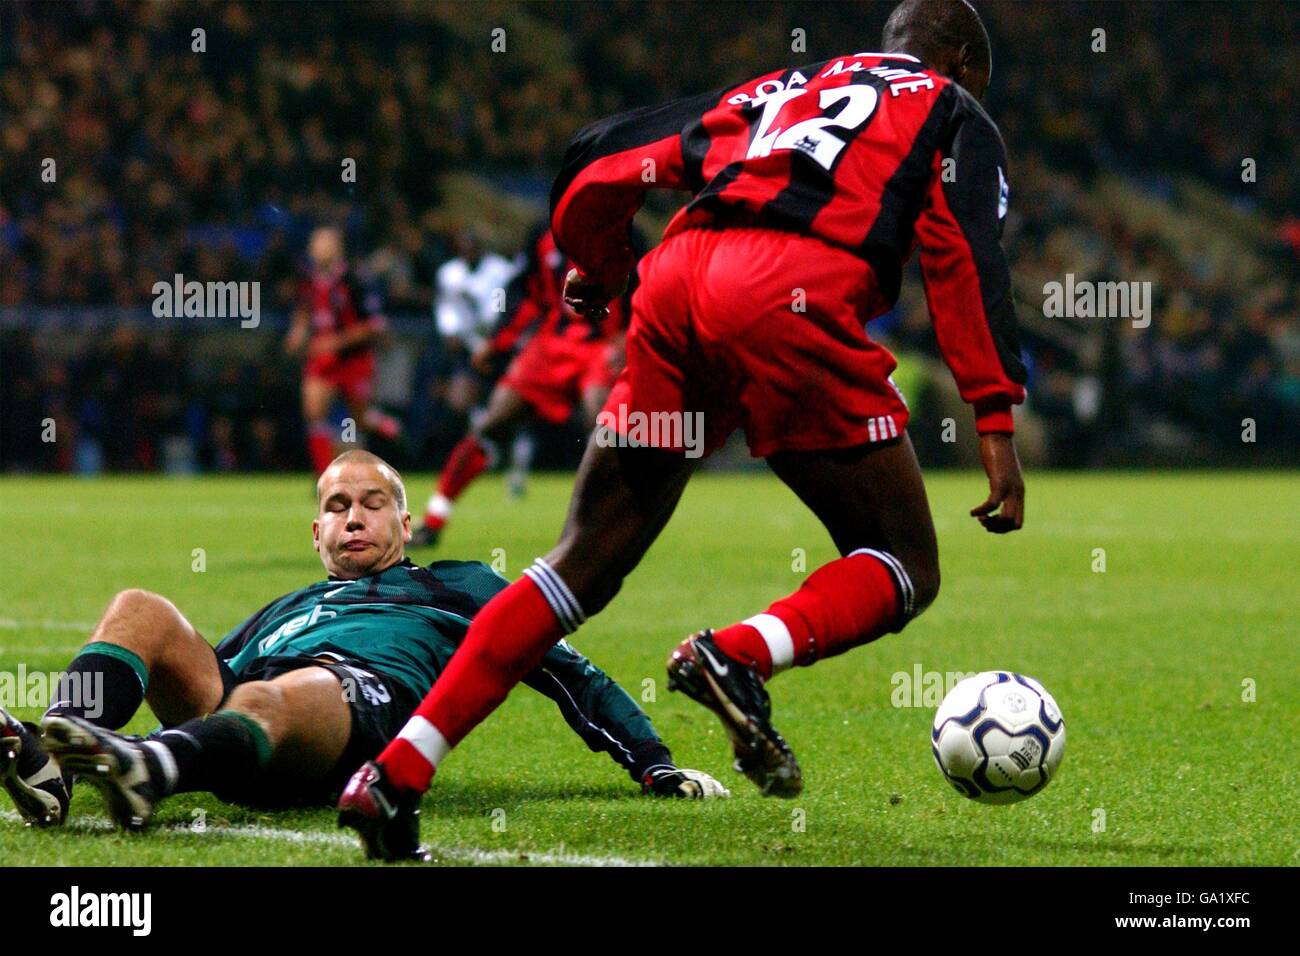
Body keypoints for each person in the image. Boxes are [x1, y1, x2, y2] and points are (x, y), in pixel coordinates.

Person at [339, 0, 1027, 860]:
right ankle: (735, 655)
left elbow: (603, 155)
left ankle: (395, 773)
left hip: (678, 279)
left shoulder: (791, 83)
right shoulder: (954, 111)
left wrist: (599, 262)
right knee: (903, 565)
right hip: (791, 290)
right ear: (960, 61)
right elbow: (965, 251)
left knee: (579, 563)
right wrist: (994, 419)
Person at [0, 451, 726, 860]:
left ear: (406, 524)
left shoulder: (462, 585)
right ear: (315, 532)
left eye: (372, 502)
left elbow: (572, 673)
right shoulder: (284, 608)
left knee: (268, 696)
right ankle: (54, 757)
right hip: (250, 721)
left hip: (351, 722)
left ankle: (147, 770)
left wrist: (653, 762)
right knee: (140, 608)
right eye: (339, 505)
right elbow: (206, 685)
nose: (354, 516)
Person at [411, 226, 630, 547]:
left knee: (606, 426)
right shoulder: (543, 239)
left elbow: (644, 285)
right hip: (551, 345)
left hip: (600, 347)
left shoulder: (621, 231)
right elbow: (530, 297)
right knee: (491, 424)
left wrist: (630, 335)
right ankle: (433, 519)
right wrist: (498, 343)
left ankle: (612, 525)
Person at [284, 227, 400, 475]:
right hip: (322, 360)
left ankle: (385, 426)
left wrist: (334, 342)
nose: (318, 249)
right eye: (315, 243)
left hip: (353, 359)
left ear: (337, 248)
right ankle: (324, 476)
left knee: (360, 419)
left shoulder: (356, 280)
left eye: (324, 243)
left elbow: (374, 325)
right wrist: (297, 333)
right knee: (314, 412)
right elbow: (305, 312)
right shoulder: (307, 281)